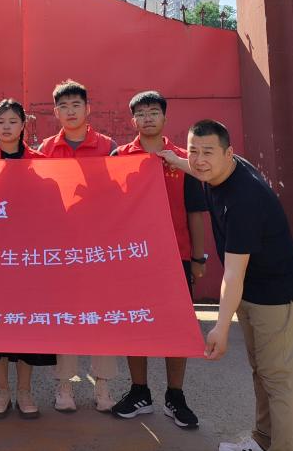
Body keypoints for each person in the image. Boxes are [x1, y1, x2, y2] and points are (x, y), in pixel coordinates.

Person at [187, 119, 293, 451]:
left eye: (207, 152)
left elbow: (232, 275)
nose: (199, 160)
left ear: (229, 153)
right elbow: (192, 164)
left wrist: (221, 327)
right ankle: (263, 441)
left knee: (279, 381)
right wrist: (170, 158)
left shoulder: (244, 200)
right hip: (252, 292)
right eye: (193, 151)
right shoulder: (216, 171)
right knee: (262, 372)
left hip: (276, 298)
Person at [109, 91, 208, 428]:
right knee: (134, 323)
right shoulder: (119, 157)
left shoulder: (182, 159)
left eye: (153, 112)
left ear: (165, 118)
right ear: (132, 120)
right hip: (132, 257)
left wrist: (198, 257)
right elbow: (108, 210)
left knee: (176, 325)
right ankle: (139, 392)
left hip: (175, 256)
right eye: (141, 113)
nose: (147, 118)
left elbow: (195, 212)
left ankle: (175, 396)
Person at [0, 99, 56, 419]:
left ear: (23, 126)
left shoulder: (41, 163)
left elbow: (53, 210)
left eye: (13, 121)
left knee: (27, 326)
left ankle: (25, 391)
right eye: (1, 121)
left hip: (29, 260)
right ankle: (2, 391)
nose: (6, 127)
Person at [37, 79, 118, 413]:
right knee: (65, 316)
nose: (70, 112)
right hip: (60, 249)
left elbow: (119, 194)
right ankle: (64, 385)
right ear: (55, 112)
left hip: (98, 247)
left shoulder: (108, 147)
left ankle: (103, 385)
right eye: (63, 107)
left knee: (101, 315)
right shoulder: (45, 149)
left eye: (76, 105)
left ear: (88, 109)